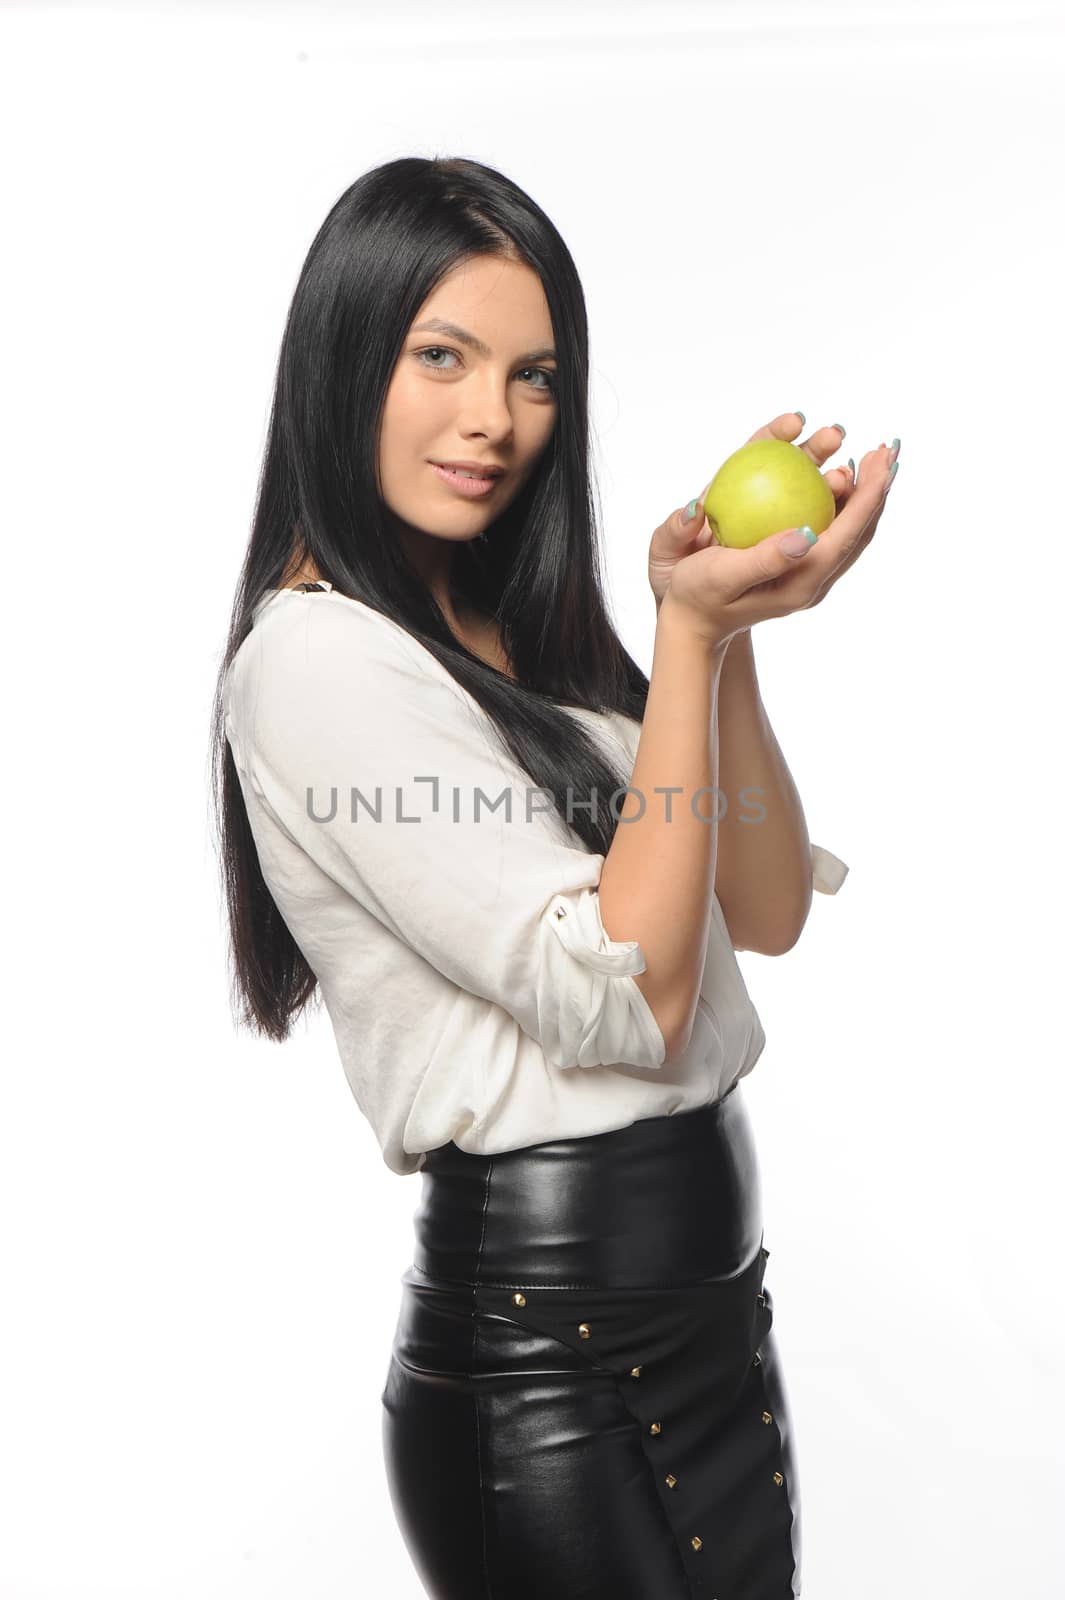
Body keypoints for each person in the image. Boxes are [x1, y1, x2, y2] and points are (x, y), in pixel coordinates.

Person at [211, 154, 899, 1599]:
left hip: (703, 1317)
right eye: (440, 357)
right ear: (345, 360)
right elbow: (629, 1001)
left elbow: (757, 912)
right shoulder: (321, 660)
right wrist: (690, 644)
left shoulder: (524, 631)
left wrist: (731, 635)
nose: (492, 420)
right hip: (548, 1366)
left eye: (533, 376)